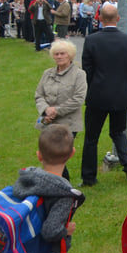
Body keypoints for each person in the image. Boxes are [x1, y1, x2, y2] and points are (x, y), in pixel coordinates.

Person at [13, 125, 84, 253]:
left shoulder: (28, 180)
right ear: (72, 153)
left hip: (26, 251)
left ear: (39, 155)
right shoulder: (62, 193)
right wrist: (66, 230)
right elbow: (50, 230)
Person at [81, 4, 127, 186]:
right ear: (118, 19)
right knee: (118, 132)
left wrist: (90, 90)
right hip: (121, 94)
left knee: (91, 138)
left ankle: (89, 177)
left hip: (97, 94)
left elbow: (87, 70)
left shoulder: (91, 40)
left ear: (99, 18)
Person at [35, 39, 87, 180]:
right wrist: (46, 110)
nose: (59, 56)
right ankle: (57, 187)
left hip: (68, 123)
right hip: (47, 121)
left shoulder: (79, 74)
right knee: (48, 157)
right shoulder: (47, 73)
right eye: (56, 54)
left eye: (62, 53)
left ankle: (63, 189)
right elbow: (38, 95)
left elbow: (78, 99)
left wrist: (56, 111)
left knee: (58, 158)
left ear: (69, 55)